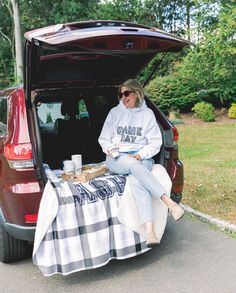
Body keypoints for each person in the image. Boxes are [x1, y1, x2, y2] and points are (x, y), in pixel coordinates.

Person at [98, 79, 184, 247]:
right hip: (117, 158)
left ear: (136, 93)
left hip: (141, 157)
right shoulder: (115, 113)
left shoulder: (148, 115)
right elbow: (104, 139)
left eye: (126, 93)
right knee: (132, 166)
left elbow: (154, 142)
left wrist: (140, 154)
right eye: (120, 94)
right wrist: (116, 152)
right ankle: (169, 202)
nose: (123, 97)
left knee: (138, 180)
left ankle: (150, 233)